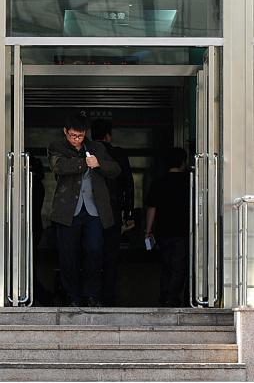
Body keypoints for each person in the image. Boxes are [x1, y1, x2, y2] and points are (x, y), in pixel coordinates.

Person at [47, 113, 120, 307]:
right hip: (68, 210)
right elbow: (58, 166)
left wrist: (99, 163)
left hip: (94, 210)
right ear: (65, 131)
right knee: (68, 255)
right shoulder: (57, 147)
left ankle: (92, 294)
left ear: (85, 133)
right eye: (72, 135)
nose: (75, 139)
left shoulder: (97, 147)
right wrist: (83, 162)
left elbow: (115, 170)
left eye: (79, 136)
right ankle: (73, 296)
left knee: (95, 251)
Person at [91, 118, 135, 306]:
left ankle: (92, 295)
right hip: (113, 210)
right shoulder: (118, 154)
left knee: (91, 253)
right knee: (110, 255)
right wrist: (129, 212)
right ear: (109, 135)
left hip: (91, 211)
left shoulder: (88, 152)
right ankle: (108, 297)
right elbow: (128, 183)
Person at [145, 147, 190, 306]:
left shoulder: (159, 182)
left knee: (166, 265)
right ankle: (172, 297)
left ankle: (164, 296)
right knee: (179, 266)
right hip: (183, 230)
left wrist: (148, 230)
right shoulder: (189, 182)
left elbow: (152, 208)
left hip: (163, 231)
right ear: (183, 162)